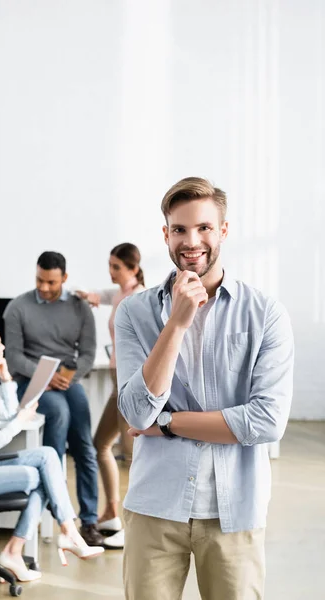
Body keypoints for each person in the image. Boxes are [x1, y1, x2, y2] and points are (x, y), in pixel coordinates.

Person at [115, 177, 294, 600]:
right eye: (179, 229)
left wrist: (169, 423)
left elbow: (267, 421)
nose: (191, 241)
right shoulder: (135, 313)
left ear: (224, 231)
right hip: (154, 505)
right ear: (166, 234)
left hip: (235, 510)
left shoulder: (265, 313)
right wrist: (177, 323)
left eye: (204, 228)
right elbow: (138, 414)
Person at [0, 325, 104, 583]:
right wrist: (21, 418)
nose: (3, 348)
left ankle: (29, 545)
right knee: (45, 467)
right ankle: (51, 538)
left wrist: (6, 379)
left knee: (48, 462)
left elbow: (7, 413)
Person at [3, 251, 104, 547]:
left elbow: (86, 353)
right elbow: (15, 357)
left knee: (85, 443)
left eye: (51, 282)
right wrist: (45, 376)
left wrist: (70, 376)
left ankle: (89, 521)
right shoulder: (17, 308)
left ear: (65, 278)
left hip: (66, 379)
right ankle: (58, 508)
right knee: (59, 412)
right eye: (39, 280)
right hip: (30, 381)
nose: (44, 287)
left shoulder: (79, 308)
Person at [77, 243, 145, 549]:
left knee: (133, 456)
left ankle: (135, 526)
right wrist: (82, 295)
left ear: (133, 269)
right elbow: (102, 295)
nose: (111, 270)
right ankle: (112, 512)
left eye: (117, 266)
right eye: (110, 264)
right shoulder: (120, 293)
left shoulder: (139, 297)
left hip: (131, 381)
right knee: (100, 444)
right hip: (119, 381)